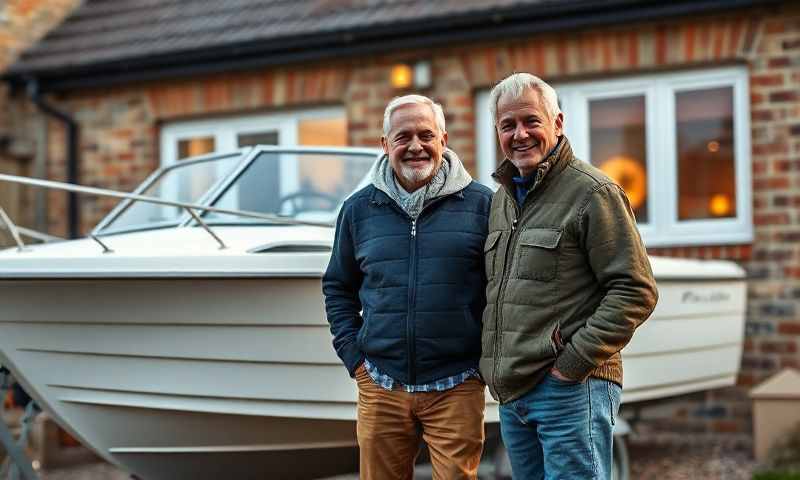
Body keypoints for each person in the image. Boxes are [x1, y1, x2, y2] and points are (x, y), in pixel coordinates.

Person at [481, 73, 658, 480]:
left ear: (557, 123)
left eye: (531, 121)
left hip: (571, 389)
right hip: (515, 394)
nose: (520, 134)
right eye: (508, 125)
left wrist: (572, 363)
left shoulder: (594, 192)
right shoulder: (501, 202)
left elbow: (636, 290)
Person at [323, 94, 493, 480]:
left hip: (457, 385)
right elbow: (338, 286)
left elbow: (499, 291)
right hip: (380, 382)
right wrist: (355, 360)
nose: (415, 146)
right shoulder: (357, 210)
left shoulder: (483, 206)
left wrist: (480, 367)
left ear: (444, 140)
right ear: (385, 145)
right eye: (403, 137)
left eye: (425, 135)